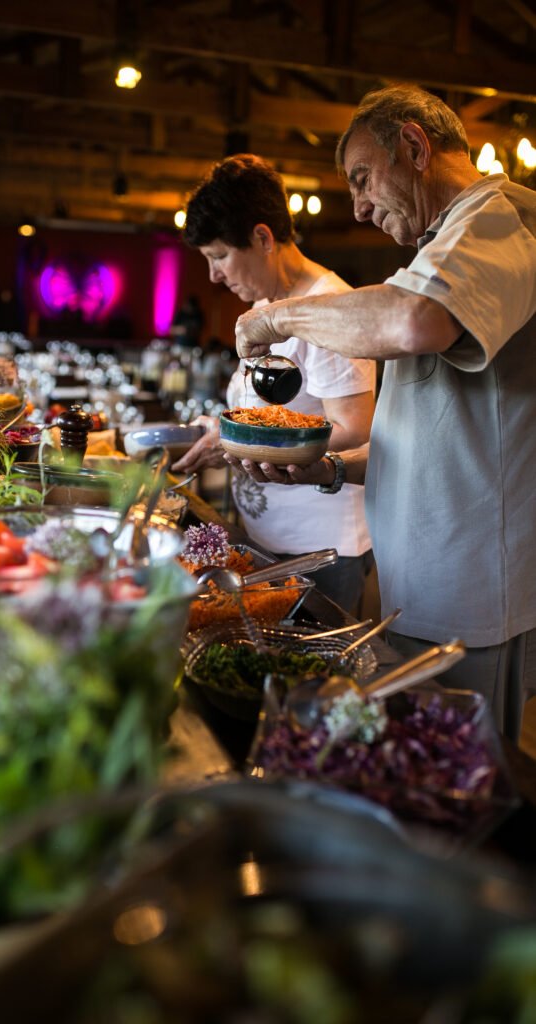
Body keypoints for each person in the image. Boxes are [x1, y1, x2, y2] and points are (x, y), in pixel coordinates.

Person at [232, 85, 536, 738]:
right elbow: (427, 440)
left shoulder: (497, 216)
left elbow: (411, 320)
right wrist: (330, 471)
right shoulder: (440, 250)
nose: (359, 207)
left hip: (468, 593)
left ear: (415, 146)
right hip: (421, 588)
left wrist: (277, 318)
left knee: (453, 777)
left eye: (362, 179)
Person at [172, 154, 376, 613]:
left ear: (262, 238)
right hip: (267, 536)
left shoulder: (329, 308)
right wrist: (223, 432)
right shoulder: (265, 305)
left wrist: (241, 443)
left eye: (219, 256)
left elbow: (355, 428)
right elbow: (264, 410)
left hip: (319, 546)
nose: (213, 275)